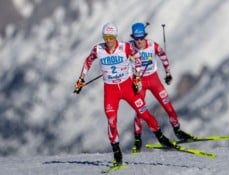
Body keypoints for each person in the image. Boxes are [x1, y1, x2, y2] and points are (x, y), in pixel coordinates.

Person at [73, 22, 175, 167]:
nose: (108, 40)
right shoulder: (98, 49)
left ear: (115, 36)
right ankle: (117, 154)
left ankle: (160, 137)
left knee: (144, 113)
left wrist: (137, 77)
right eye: (106, 37)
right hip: (111, 90)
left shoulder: (124, 47)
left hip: (127, 87)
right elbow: (88, 61)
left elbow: (138, 59)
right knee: (112, 121)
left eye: (111, 37)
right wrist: (81, 79)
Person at [129, 22, 194, 153]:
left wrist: (168, 74)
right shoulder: (128, 47)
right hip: (138, 82)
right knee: (139, 112)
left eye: (141, 38)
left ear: (145, 36)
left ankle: (178, 131)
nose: (139, 41)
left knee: (168, 106)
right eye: (136, 39)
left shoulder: (152, 45)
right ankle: (137, 140)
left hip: (153, 80)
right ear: (133, 38)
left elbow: (163, 57)